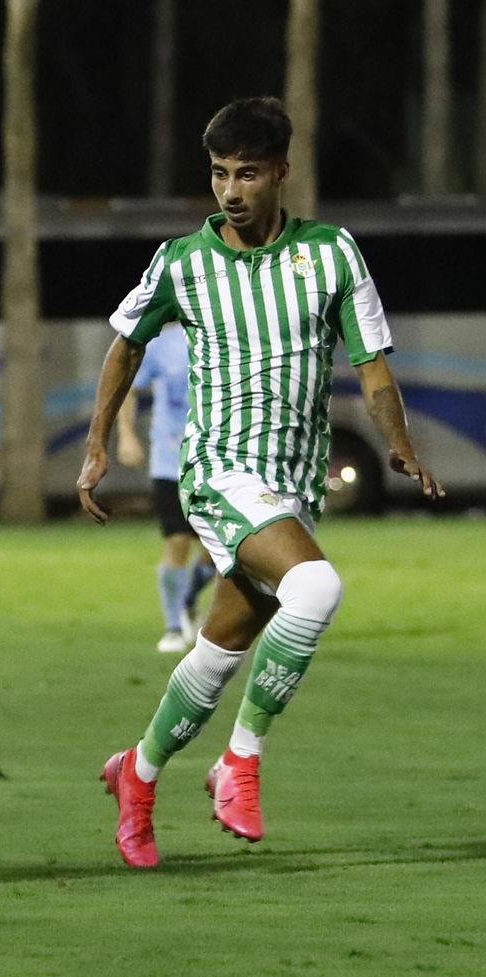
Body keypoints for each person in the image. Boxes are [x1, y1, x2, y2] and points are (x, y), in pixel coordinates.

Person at [77, 97, 443, 869]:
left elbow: (372, 366)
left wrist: (399, 442)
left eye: (246, 174)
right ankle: (240, 761)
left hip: (292, 485)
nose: (230, 190)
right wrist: (97, 442)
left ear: (281, 172)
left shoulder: (332, 253)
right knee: (316, 588)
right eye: (219, 174)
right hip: (218, 470)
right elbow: (125, 345)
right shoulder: (182, 262)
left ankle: (137, 773)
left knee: (218, 653)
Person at [114, 322, 215, 652]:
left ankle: (187, 599)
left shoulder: (224, 336)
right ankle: (173, 628)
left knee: (216, 549)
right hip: (170, 460)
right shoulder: (162, 344)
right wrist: (127, 435)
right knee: (177, 539)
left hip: (215, 461)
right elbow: (128, 386)